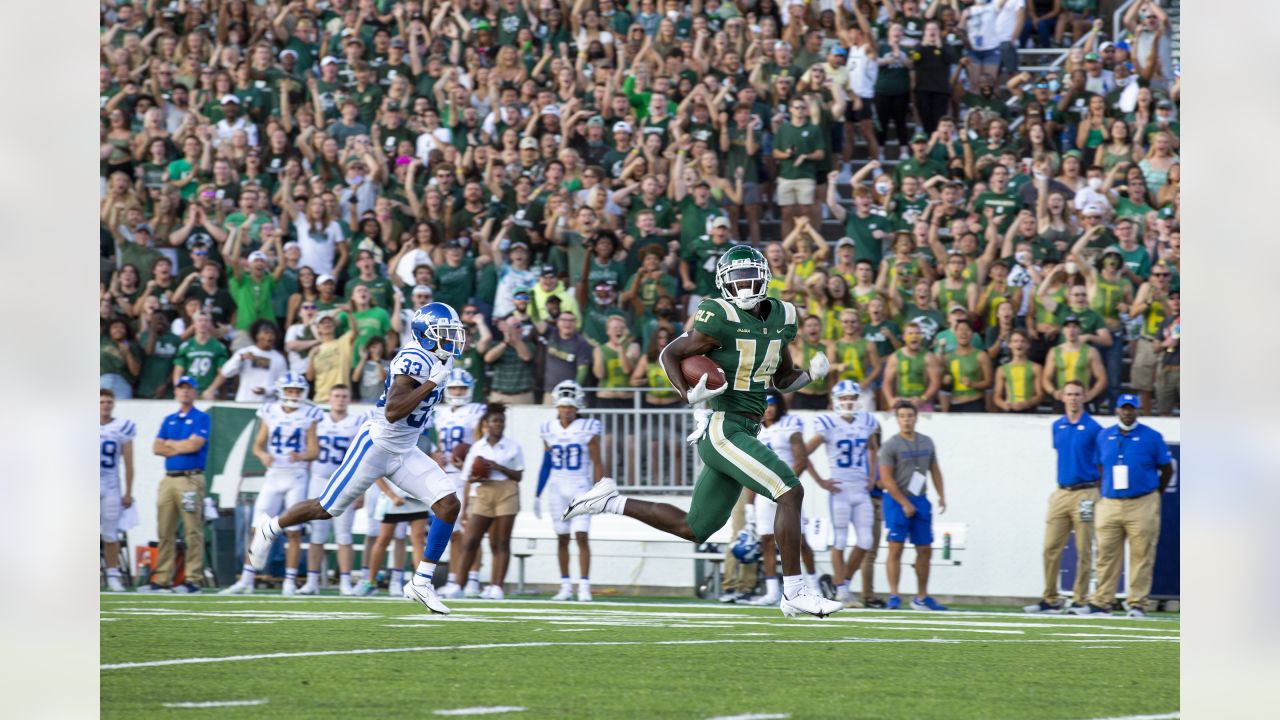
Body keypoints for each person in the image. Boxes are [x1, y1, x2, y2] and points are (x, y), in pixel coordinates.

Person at [563, 246, 843, 618]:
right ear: (724, 283)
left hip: (746, 429)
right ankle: (793, 591)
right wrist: (687, 394)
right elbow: (669, 354)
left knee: (695, 528)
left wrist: (811, 375)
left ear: (764, 277)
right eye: (736, 278)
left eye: (749, 277)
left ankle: (609, 500)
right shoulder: (717, 316)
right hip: (722, 428)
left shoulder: (782, 316)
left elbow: (782, 378)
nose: (744, 285)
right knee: (789, 490)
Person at [246, 303, 468, 616]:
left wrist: (435, 378)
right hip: (376, 445)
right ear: (427, 335)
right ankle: (272, 527)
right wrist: (431, 383)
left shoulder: (438, 358)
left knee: (448, 504)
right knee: (326, 508)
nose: (453, 339)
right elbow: (393, 412)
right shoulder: (413, 358)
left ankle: (421, 581)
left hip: (404, 449)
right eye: (445, 333)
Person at [221, 374, 321, 596]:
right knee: (258, 528)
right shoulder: (269, 411)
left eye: (297, 391)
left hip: (296, 477)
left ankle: (289, 581)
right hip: (273, 475)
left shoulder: (310, 414)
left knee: (293, 532)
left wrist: (302, 455)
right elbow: (257, 446)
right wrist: (263, 455)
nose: (293, 395)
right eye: (290, 390)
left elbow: (314, 451)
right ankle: (247, 579)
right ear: (281, 390)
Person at [1074, 393, 1173, 618]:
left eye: (1131, 408)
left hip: (1141, 502)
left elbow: (1167, 469)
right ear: (1117, 410)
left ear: (1138, 410)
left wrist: (1154, 494)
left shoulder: (1152, 437)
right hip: (1110, 502)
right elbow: (1099, 466)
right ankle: (1102, 601)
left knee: (1141, 554)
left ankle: (1137, 602)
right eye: (1123, 408)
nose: (1127, 412)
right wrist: (1106, 490)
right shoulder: (1104, 436)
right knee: (1105, 553)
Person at [1025, 380, 1101, 613]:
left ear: (1085, 397)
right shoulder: (1057, 426)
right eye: (1069, 394)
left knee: (1083, 547)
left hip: (1086, 492)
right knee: (1050, 547)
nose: (1073, 398)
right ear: (1063, 397)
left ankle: (1080, 598)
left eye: (1077, 394)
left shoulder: (1094, 428)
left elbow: (1101, 464)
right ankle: (1050, 598)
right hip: (1061, 492)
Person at [805, 381, 880, 606]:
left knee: (866, 541)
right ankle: (841, 591)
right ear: (836, 401)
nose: (848, 402)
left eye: (852, 398)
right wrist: (820, 481)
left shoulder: (867, 422)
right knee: (839, 541)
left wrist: (872, 476)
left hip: (861, 490)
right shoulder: (828, 424)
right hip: (840, 489)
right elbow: (804, 453)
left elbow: (873, 448)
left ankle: (843, 584)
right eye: (844, 398)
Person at [138, 375, 210, 593]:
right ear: (176, 392)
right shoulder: (169, 419)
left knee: (192, 530)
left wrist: (170, 444)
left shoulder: (201, 417)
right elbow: (156, 448)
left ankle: (193, 579)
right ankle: (161, 579)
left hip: (190, 477)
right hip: (169, 478)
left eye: (189, 388)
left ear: (195, 392)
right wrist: (180, 444)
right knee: (165, 530)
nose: (185, 392)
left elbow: (195, 446)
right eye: (181, 388)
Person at [744, 390, 817, 606]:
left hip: (786, 491)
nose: (769, 409)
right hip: (763, 492)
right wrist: (749, 504)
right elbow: (749, 469)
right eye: (765, 405)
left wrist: (783, 484)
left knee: (800, 540)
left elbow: (801, 459)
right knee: (766, 540)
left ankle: (814, 587)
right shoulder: (751, 430)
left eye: (772, 404)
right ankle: (772, 591)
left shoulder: (789, 425)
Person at [535, 381, 605, 602]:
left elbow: (597, 461)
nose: (566, 411)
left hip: (580, 487)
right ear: (557, 407)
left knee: (581, 536)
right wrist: (537, 493)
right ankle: (565, 585)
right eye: (563, 407)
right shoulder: (548, 428)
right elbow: (546, 462)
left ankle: (584, 585)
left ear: (578, 407)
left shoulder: (588, 427)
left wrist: (600, 488)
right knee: (562, 538)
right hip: (557, 487)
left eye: (570, 407)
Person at [298, 385, 369, 596]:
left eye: (344, 396)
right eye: (336, 396)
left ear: (350, 400)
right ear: (329, 399)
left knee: (343, 534)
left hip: (344, 481)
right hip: (319, 479)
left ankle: (345, 582)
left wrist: (361, 490)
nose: (340, 399)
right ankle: (312, 581)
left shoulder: (357, 422)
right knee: (317, 533)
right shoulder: (318, 420)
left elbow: (363, 457)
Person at [878, 400, 948, 611]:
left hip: (920, 499)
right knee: (895, 548)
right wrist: (904, 502)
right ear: (897, 419)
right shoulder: (890, 445)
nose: (906, 420)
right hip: (897, 500)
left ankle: (922, 597)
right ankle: (894, 596)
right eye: (902, 416)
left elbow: (935, 470)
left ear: (916, 418)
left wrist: (941, 496)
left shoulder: (927, 442)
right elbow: (886, 479)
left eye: (910, 415)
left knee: (925, 548)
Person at [457, 403, 526, 600]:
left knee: (501, 542)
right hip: (484, 490)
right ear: (486, 424)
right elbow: (468, 476)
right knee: (470, 540)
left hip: (506, 490)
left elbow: (519, 475)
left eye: (501, 421)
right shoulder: (477, 447)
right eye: (495, 421)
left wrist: (498, 466)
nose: (499, 425)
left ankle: (497, 587)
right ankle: (458, 584)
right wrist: (478, 476)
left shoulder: (513, 446)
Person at [430, 370, 488, 599]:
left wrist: (471, 459)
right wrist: (436, 455)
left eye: (461, 388)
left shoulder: (476, 411)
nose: (457, 392)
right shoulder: (440, 414)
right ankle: (455, 578)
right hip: (447, 474)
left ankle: (472, 578)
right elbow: (438, 443)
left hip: (469, 475)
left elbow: (480, 440)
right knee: (453, 532)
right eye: (454, 388)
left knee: (471, 530)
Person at [99, 389, 136, 592]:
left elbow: (129, 463)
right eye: (101, 401)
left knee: (111, 534)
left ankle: (112, 574)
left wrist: (128, 491)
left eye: (108, 401)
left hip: (111, 485)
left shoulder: (122, 427)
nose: (105, 405)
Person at [204, 320, 288, 402]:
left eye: (272, 333)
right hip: (244, 402)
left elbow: (282, 384)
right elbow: (226, 372)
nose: (270, 336)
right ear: (257, 335)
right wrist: (240, 359)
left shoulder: (279, 358)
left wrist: (266, 391)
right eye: (266, 333)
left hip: (267, 406)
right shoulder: (244, 352)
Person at [882, 321, 943, 411]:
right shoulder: (895, 357)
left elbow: (936, 382)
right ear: (904, 337)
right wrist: (890, 399)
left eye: (917, 333)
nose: (914, 336)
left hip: (922, 403)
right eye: (910, 333)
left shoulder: (929, 357)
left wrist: (923, 399)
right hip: (901, 402)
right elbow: (887, 382)